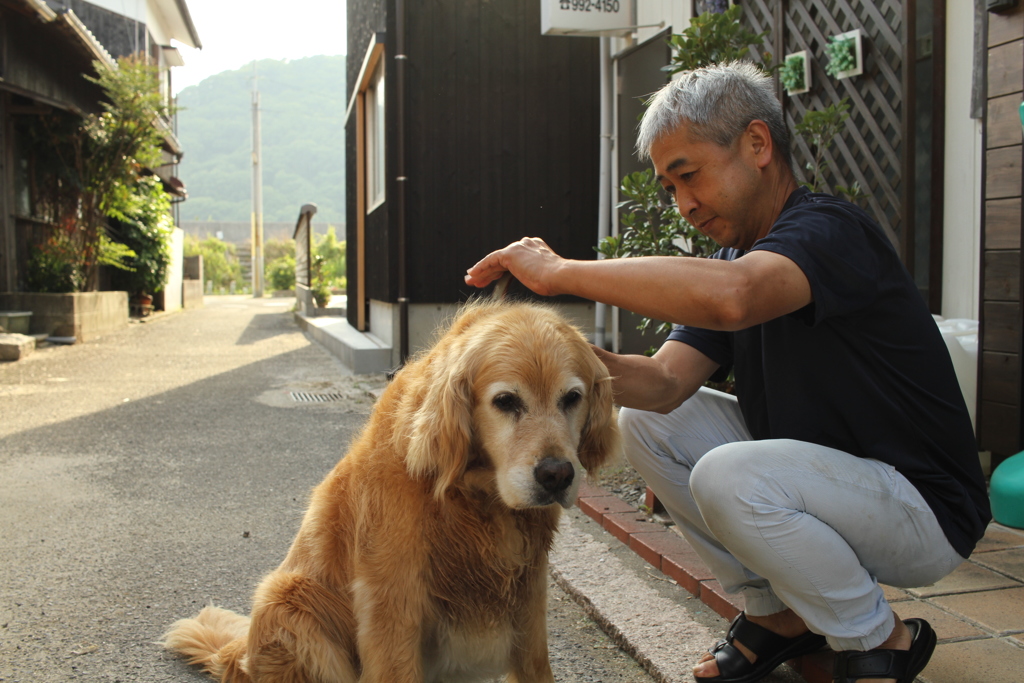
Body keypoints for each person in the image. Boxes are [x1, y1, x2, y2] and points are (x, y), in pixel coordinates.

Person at [464, 61, 991, 683]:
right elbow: (664, 383)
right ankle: (778, 617)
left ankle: (881, 640)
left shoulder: (831, 232)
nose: (685, 204)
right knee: (647, 424)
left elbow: (736, 296)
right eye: (670, 188)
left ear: (758, 144)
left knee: (729, 475)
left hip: (920, 508)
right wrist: (550, 357)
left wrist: (558, 273)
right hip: (828, 487)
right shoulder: (735, 258)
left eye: (690, 176)